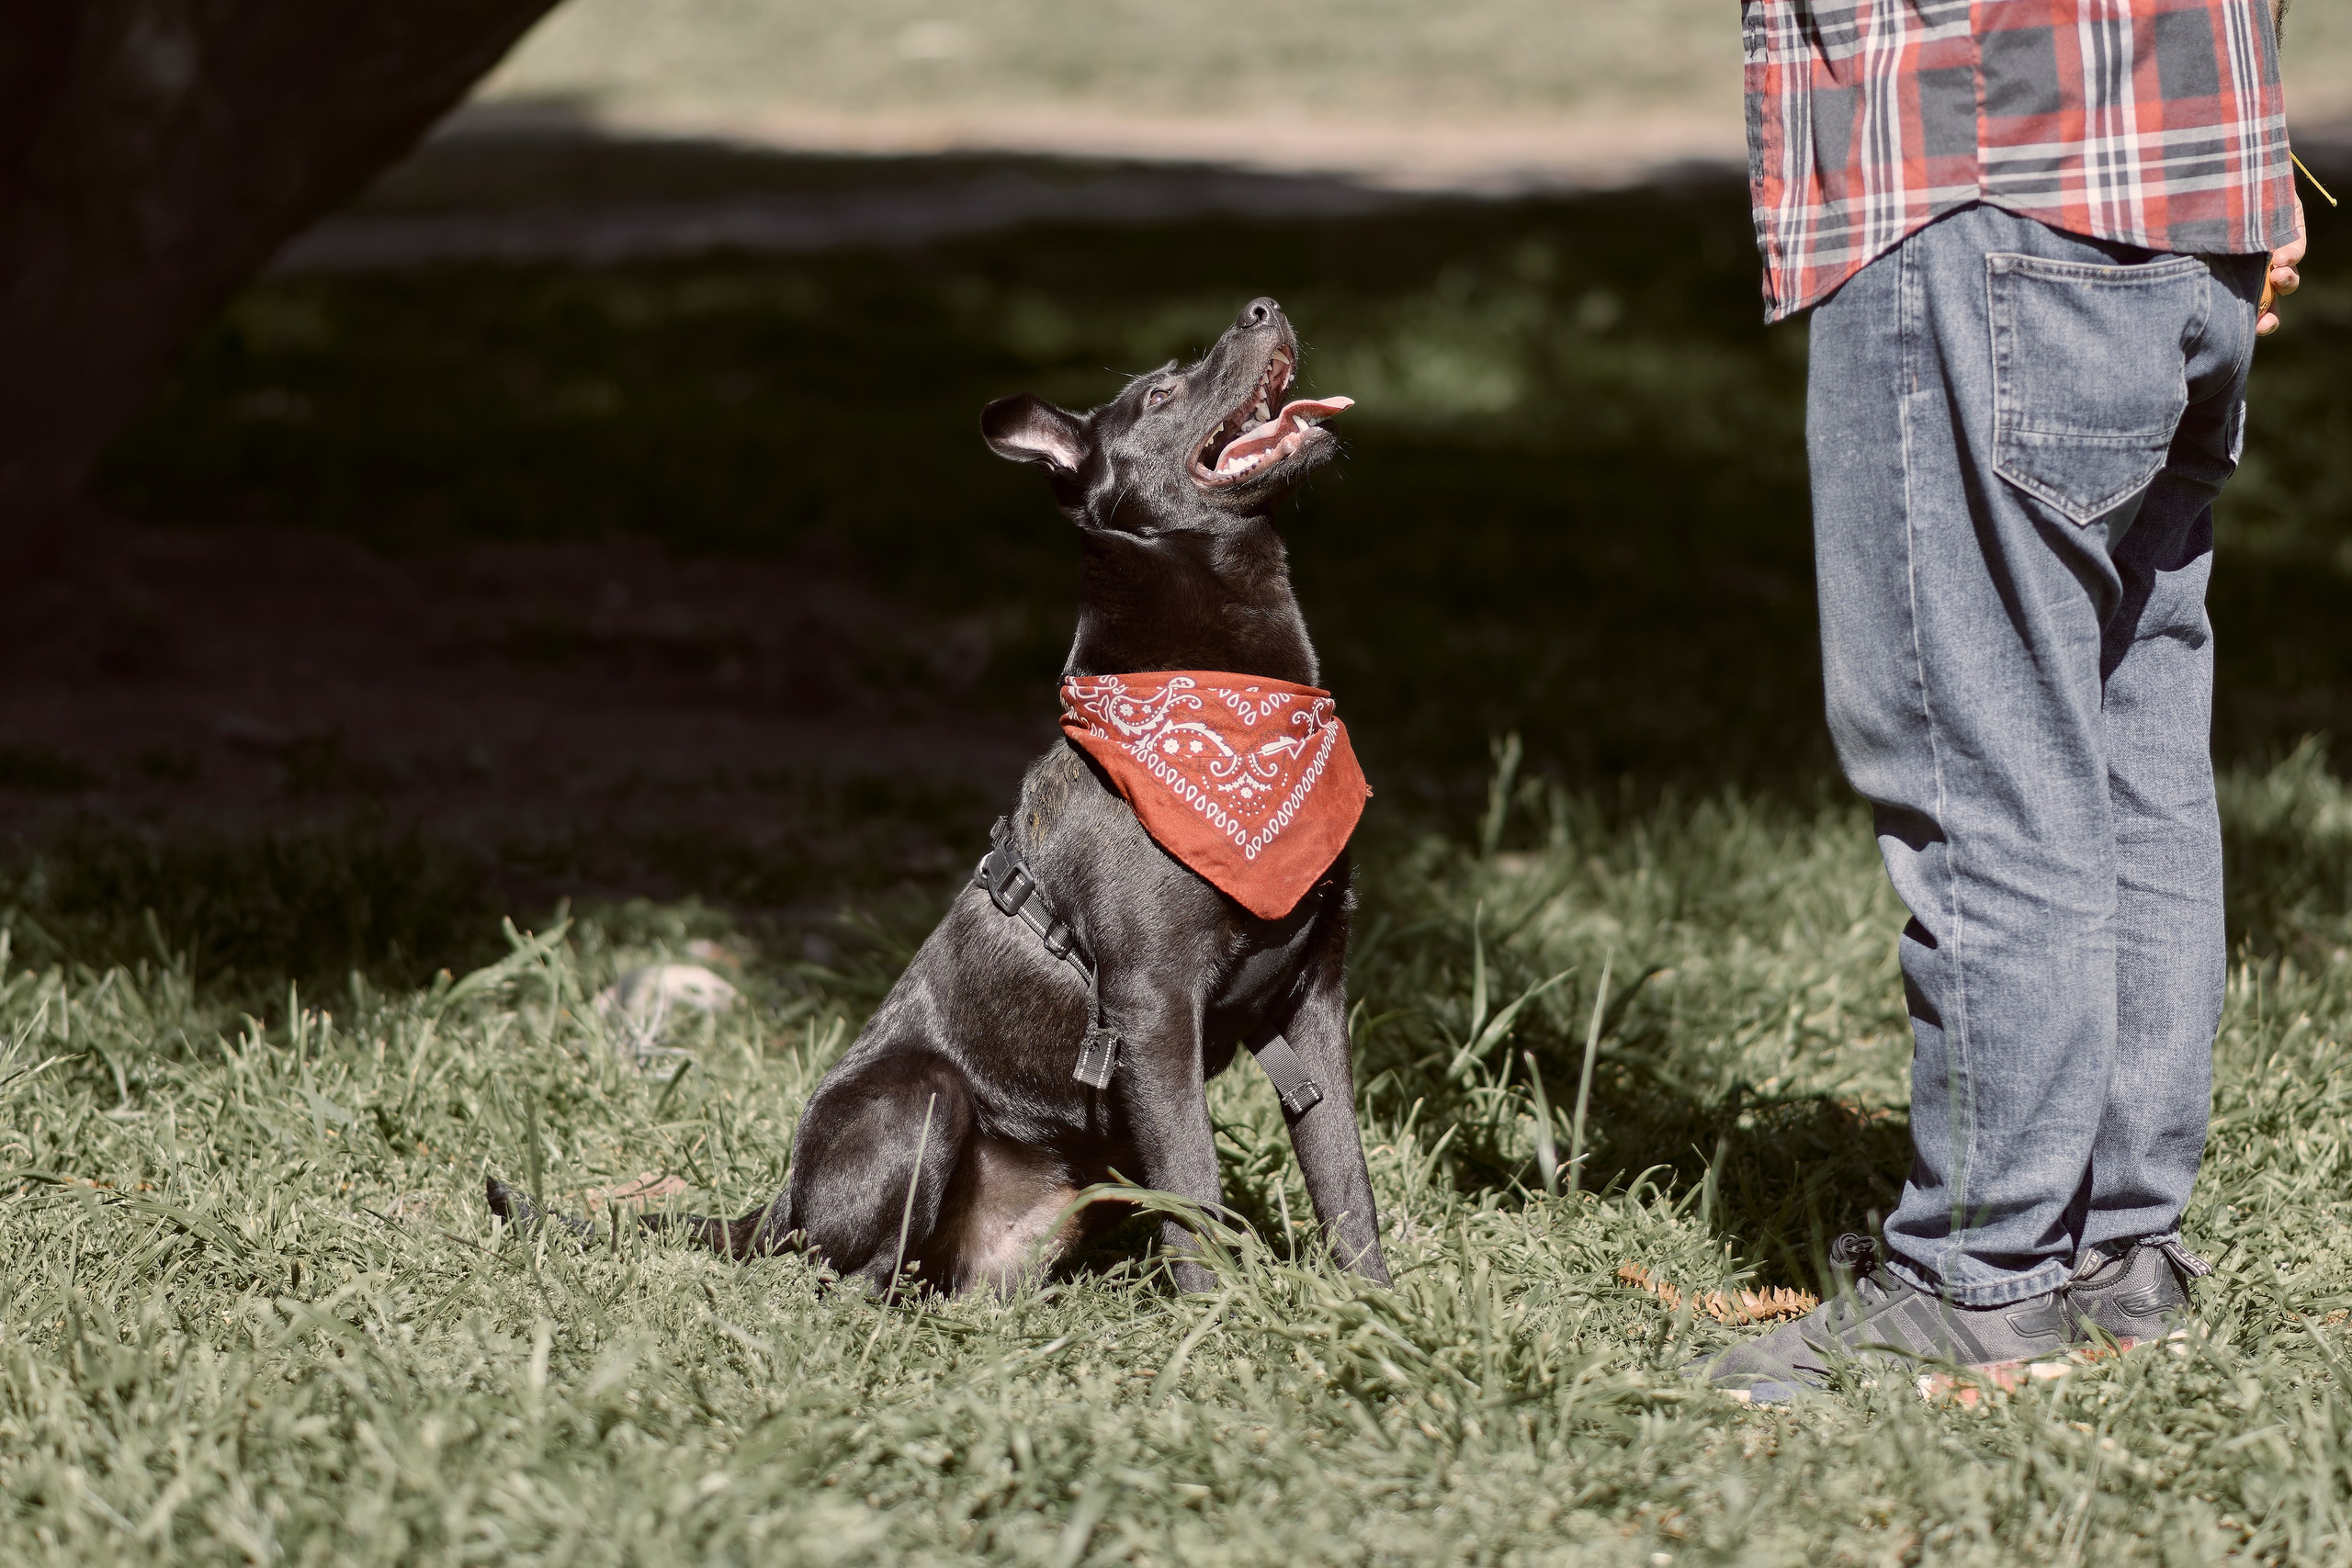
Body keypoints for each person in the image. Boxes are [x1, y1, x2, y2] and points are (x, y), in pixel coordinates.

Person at [1704, 0, 2310, 1402]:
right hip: (2200, 199)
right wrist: (2255, 173)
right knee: (2130, 739)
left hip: (1982, 188)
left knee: (1982, 749)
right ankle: (2118, 1254)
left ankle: (1984, 1274)